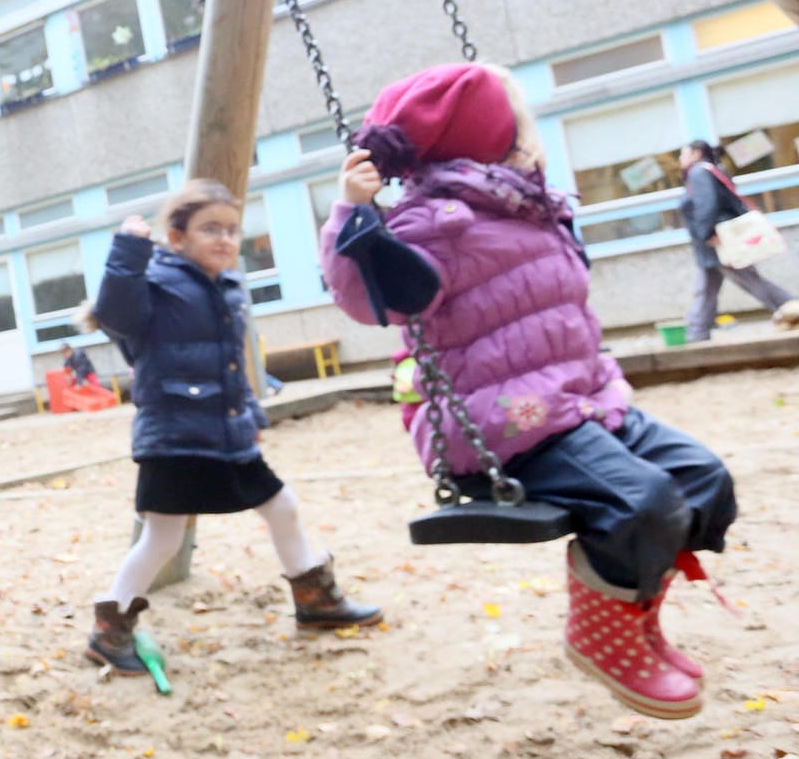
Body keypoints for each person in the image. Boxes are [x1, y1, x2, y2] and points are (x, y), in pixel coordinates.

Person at [320, 63, 735, 719]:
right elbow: (367, 295)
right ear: (487, 137)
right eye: (523, 125)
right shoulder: (438, 223)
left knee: (704, 480)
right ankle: (602, 636)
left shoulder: (525, 204)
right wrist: (352, 214)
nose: (534, 138)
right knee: (645, 503)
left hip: (581, 400)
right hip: (504, 422)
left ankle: (638, 615)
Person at [86, 181, 380, 674]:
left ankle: (315, 600)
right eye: (209, 229)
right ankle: (109, 628)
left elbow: (233, 366)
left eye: (231, 230)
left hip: (226, 434)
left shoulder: (227, 288)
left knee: (282, 507)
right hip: (175, 437)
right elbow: (113, 313)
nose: (224, 239)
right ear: (176, 237)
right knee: (162, 538)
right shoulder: (154, 283)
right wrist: (128, 249)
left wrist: (251, 417)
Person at [676, 139, 799, 341]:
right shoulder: (710, 170)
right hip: (712, 242)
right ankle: (697, 331)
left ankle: (790, 305)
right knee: (706, 287)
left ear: (696, 153)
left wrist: (706, 234)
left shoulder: (699, 173)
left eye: (683, 153)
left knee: (749, 281)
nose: (680, 159)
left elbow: (708, 205)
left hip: (717, 240)